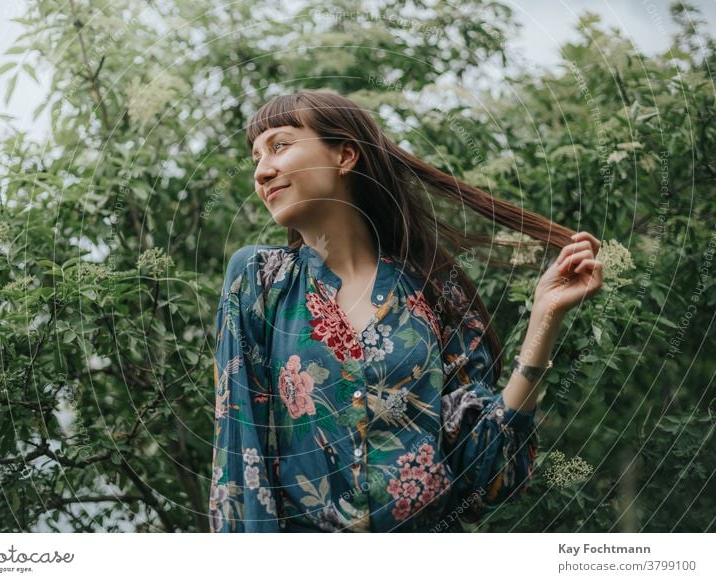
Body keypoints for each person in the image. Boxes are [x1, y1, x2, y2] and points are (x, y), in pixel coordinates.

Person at [208, 89, 603, 533]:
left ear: (345, 156)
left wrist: (543, 320)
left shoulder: (436, 295)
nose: (262, 171)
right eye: (256, 156)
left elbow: (488, 476)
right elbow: (241, 462)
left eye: (279, 145)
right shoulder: (260, 280)